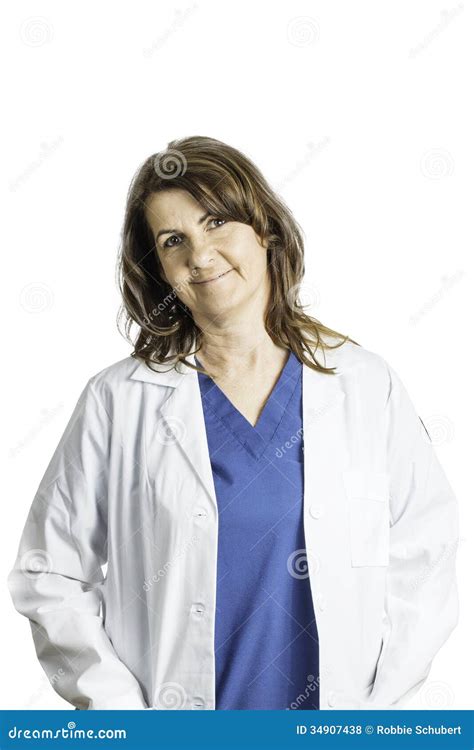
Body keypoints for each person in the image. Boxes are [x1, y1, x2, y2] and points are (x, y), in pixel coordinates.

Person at [7, 136, 459, 710]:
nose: (200, 254)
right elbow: (49, 573)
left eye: (216, 222)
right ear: (159, 269)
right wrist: (122, 716)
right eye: (174, 241)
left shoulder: (365, 385)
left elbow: (428, 551)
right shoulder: (118, 400)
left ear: (263, 230)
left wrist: (376, 711)